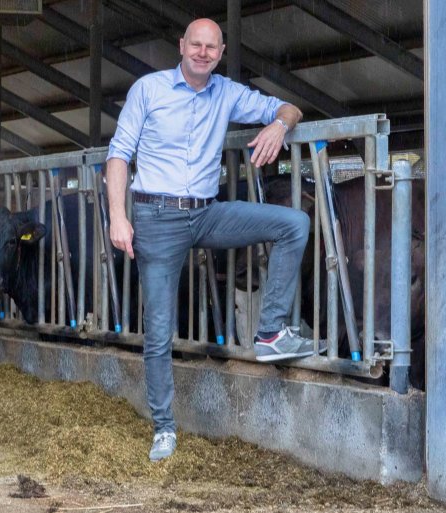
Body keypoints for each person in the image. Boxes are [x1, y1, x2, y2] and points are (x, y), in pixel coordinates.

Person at [106, 18, 316, 462]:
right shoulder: (149, 89)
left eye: (211, 47)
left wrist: (280, 126)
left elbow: (290, 108)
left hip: (205, 213)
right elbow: (119, 154)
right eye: (195, 44)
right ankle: (164, 429)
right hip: (156, 216)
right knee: (160, 331)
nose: (203, 53)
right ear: (182, 46)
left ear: (220, 53)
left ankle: (271, 332)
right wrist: (118, 217)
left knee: (293, 224)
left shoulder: (226, 92)